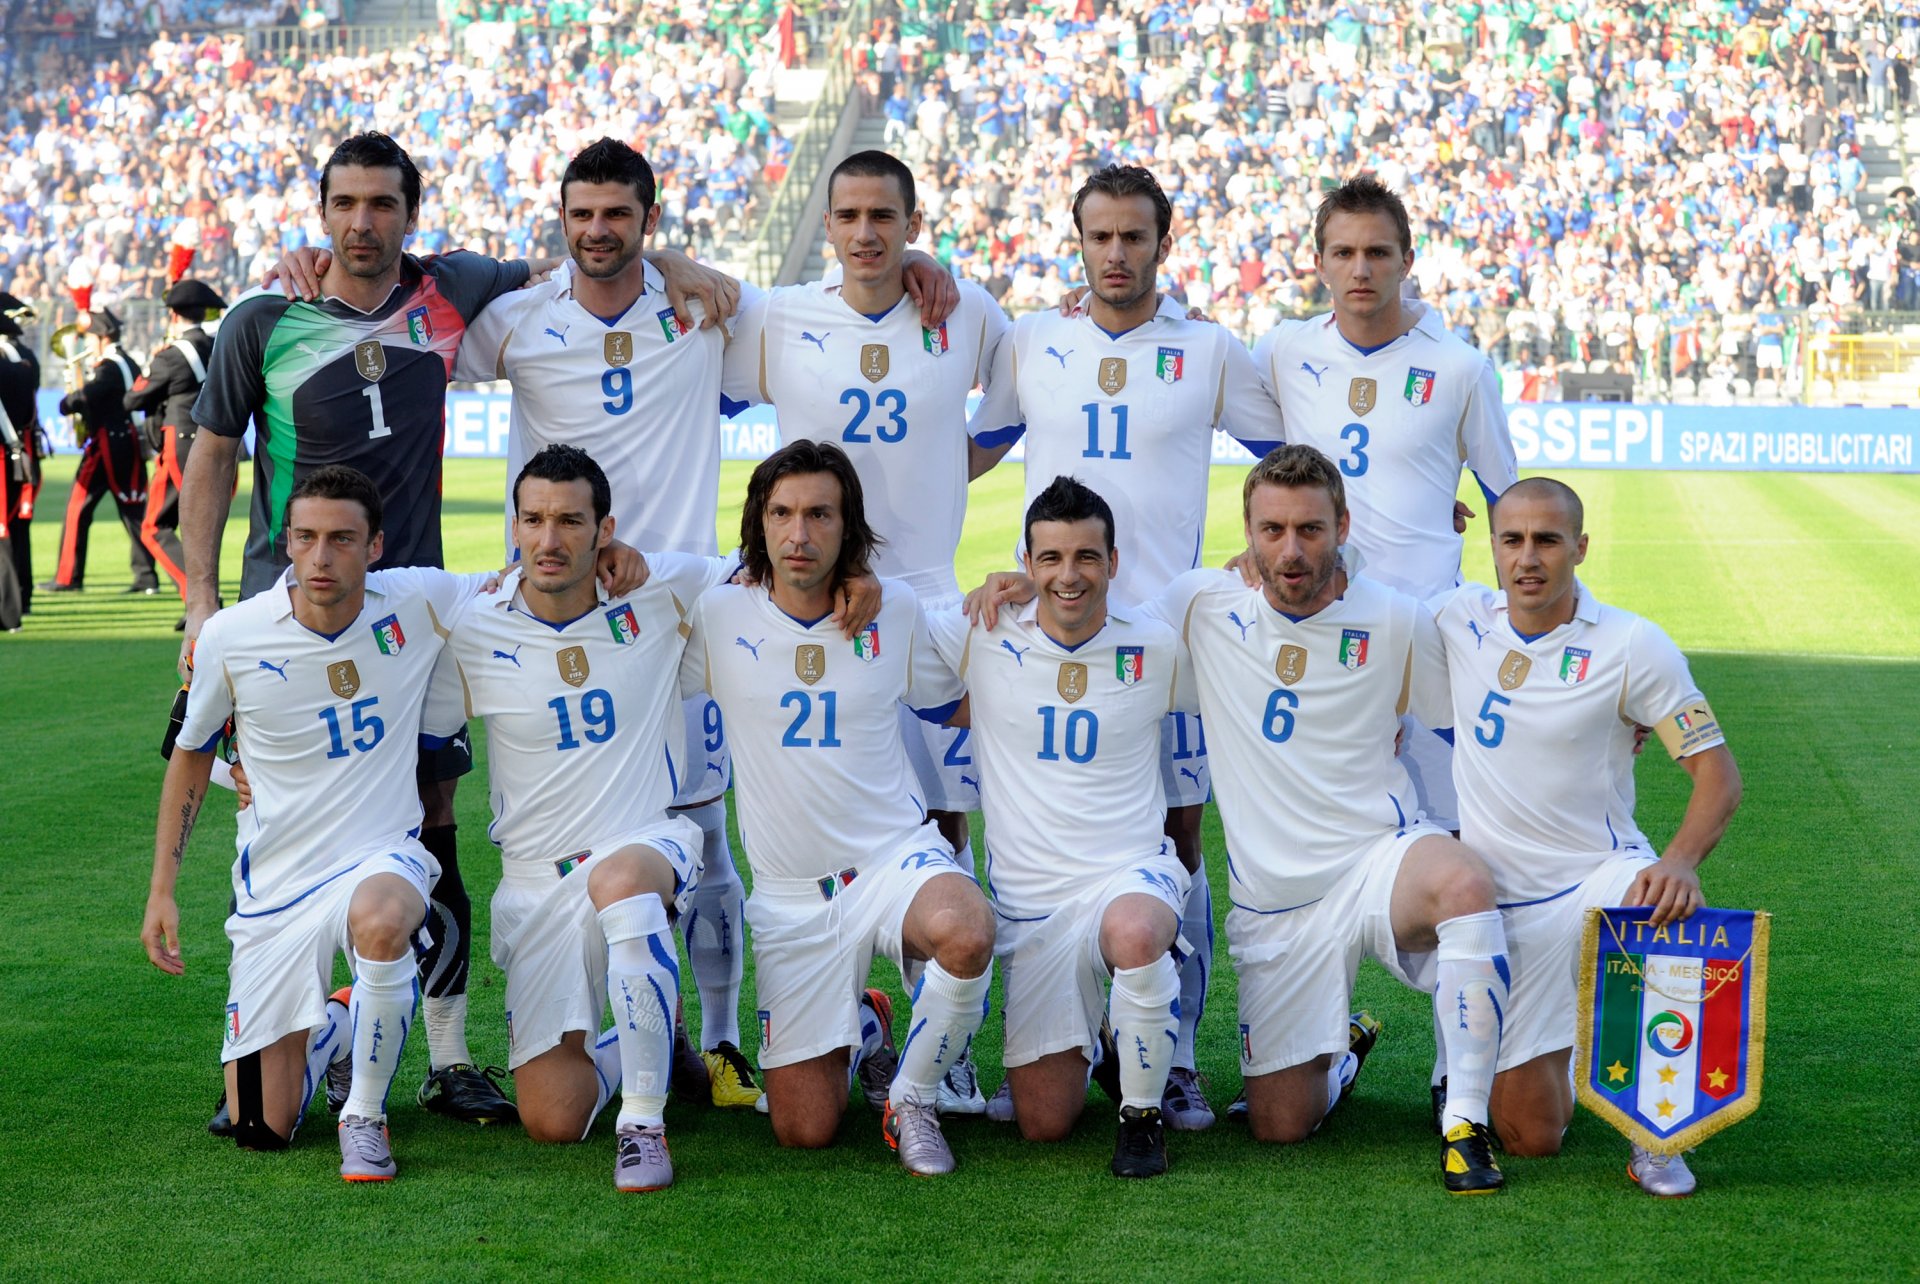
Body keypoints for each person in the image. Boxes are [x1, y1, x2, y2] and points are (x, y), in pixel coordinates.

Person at [448, 138, 948, 1108]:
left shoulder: (701, 312)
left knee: (705, 824)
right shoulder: (515, 320)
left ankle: (718, 1042)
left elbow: (841, 299)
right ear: (561, 220)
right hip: (568, 616)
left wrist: (921, 266)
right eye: (582, 214)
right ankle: (630, 1030)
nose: (599, 231)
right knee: (595, 821)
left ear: (648, 221)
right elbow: (420, 339)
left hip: (681, 607)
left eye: (618, 215)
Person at [183, 131, 538, 1128]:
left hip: (411, 629)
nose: (361, 221)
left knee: (435, 828)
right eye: (344, 202)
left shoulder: (449, 292)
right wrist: (202, 602)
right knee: (273, 827)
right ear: (321, 207)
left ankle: (451, 1057)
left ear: (410, 214)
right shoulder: (266, 318)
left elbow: (576, 257)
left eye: (382, 203)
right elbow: (212, 455)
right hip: (284, 622)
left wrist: (673, 259)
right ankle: (300, 1032)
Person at [969, 163, 1288, 1131]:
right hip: (1051, 628)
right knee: (1028, 820)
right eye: (1099, 236)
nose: (1116, 254)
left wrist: (1289, 538)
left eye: (1133, 237)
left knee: (1180, 841)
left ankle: (1175, 1054)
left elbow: (1291, 461)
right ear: (1080, 241)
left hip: (1167, 643)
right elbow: (971, 451)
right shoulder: (1035, 339)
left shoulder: (1210, 350)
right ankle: (1026, 1036)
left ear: (1164, 241)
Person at [722, 149, 1011, 1114]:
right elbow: (697, 352)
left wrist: (927, 489)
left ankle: (947, 1044)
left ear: (911, 220)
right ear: (830, 223)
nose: (865, 232)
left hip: (919, 592)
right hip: (812, 588)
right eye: (847, 214)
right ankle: (846, 1016)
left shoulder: (963, 311)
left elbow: (1005, 420)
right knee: (831, 790)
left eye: (883, 215)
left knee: (942, 820)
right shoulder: (780, 314)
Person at [1140, 445, 1512, 1193]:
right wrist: (1016, 586)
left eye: (1310, 529)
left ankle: (1465, 1120)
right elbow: (1092, 639)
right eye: (1271, 529)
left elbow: (1474, 713)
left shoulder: (1397, 619)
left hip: (1378, 861)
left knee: (1465, 884)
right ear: (1246, 532)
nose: (1290, 548)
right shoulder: (1200, 605)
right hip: (1277, 905)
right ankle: (1340, 1052)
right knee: (1280, 1126)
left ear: (1342, 526)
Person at [140, 466, 487, 1181]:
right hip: (276, 886)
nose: (321, 557)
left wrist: (619, 558)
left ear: (376, 545)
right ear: (285, 542)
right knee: (258, 1129)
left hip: (382, 856)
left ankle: (364, 1116)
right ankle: (335, 1028)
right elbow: (191, 755)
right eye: (305, 538)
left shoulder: (419, 601)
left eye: (341, 539)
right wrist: (162, 889)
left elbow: (531, 578)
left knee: (385, 920)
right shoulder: (233, 636)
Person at [679, 439, 996, 1176]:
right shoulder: (719, 614)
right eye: (782, 513)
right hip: (792, 900)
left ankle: (910, 1101)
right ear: (758, 522)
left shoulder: (897, 612)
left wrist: (1016, 598)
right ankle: (869, 1024)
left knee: (965, 928)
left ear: (846, 525)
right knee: (804, 1130)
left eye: (820, 514)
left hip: (892, 860)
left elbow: (964, 703)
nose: (799, 534)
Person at [1429, 477, 1742, 1198]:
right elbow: (1355, 600)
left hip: (1597, 877)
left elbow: (1718, 777)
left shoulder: (1633, 643)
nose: (1528, 558)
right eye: (1512, 540)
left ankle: (1656, 1135)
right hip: (1497, 912)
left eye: (1547, 540)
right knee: (1532, 1138)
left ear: (1581, 547)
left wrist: (1681, 860)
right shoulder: (1457, 618)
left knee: (1657, 902)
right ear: (1494, 548)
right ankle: (1579, 1054)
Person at [440, 445, 735, 1190]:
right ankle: (648, 1032)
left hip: (642, 844)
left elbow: (771, 571)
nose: (550, 539)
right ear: (513, 528)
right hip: (537, 883)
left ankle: (643, 1124)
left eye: (571, 520)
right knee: (554, 1119)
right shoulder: (472, 630)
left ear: (605, 529)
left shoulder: (663, 590)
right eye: (534, 520)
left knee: (623, 883)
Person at [926, 476, 1190, 1178]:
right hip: (1034, 905)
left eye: (1086, 557)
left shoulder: (1157, 645)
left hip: (1129, 874)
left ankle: (1141, 1117)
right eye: (1049, 559)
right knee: (1043, 1125)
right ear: (1025, 561)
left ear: (1113, 562)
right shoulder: (981, 633)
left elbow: (1254, 668)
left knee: (1133, 933)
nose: (1069, 576)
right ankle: (1104, 1041)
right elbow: (897, 654)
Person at [1252, 176, 1518, 840]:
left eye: (1378, 252)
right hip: (1318, 633)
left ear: (1407, 260)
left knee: (1449, 842)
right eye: (1342, 253)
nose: (1360, 269)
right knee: (1320, 841)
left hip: (1425, 636)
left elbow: (1509, 508)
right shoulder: (1284, 350)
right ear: (1319, 263)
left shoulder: (1460, 368)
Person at [126, 278, 224, 617]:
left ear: (172, 314)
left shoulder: (170, 356)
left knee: (172, 525)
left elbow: (135, 397)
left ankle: (202, 598)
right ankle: (199, 596)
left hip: (179, 440)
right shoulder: (217, 345)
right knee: (168, 524)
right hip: (215, 438)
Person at [42, 307, 157, 595]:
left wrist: (68, 402)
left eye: (91, 338)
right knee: (133, 508)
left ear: (102, 337)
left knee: (77, 508)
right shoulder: (127, 361)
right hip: (128, 441)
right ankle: (146, 576)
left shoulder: (108, 366)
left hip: (107, 443)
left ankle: (68, 576)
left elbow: (87, 396)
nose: (88, 344)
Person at [0, 292, 42, 631]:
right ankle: (22, 598)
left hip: (6, 451)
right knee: (18, 529)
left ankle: (9, 610)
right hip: (23, 451)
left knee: (5, 534)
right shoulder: (26, 364)